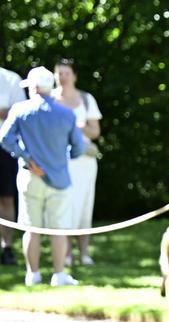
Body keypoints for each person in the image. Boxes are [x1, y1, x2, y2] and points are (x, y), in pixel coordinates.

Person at [0, 66, 86, 286]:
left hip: (29, 176)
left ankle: (33, 274)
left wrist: (27, 158)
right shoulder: (66, 114)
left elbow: (5, 139)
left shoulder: (20, 110)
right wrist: (61, 158)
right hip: (59, 178)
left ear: (35, 88)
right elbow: (78, 148)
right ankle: (58, 274)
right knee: (59, 229)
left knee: (31, 227)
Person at [52, 58, 101, 267]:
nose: (63, 78)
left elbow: (95, 131)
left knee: (84, 206)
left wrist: (78, 126)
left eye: (66, 73)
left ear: (74, 76)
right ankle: (66, 254)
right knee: (64, 207)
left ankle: (84, 253)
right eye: (59, 73)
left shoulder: (86, 99)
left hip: (84, 162)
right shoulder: (50, 99)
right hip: (59, 161)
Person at [0, 66, 26, 266]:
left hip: (5, 147)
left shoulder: (11, 79)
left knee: (6, 199)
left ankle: (6, 247)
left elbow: (21, 112)